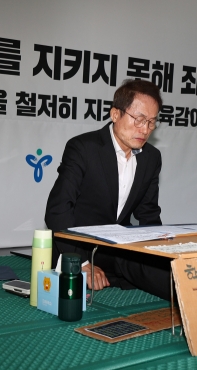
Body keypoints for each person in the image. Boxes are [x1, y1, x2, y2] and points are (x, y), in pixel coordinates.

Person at [45, 79, 172, 300]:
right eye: (139, 119)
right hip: (78, 248)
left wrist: (160, 253)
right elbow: (58, 210)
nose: (145, 129)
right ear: (115, 114)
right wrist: (80, 262)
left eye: (151, 122)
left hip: (116, 249)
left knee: (162, 265)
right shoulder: (83, 148)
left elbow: (148, 214)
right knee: (134, 264)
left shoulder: (151, 158)